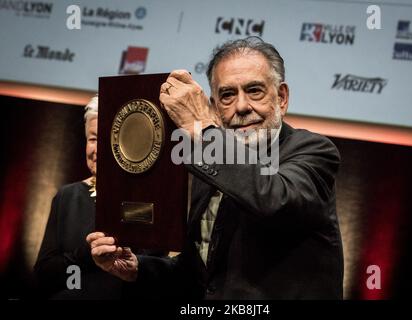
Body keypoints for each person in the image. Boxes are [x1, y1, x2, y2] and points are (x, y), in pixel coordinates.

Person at [88, 37, 344, 299]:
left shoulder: (314, 151)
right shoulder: (207, 165)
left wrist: (203, 127)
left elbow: (272, 198)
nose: (241, 107)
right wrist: (138, 269)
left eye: (254, 90)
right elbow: (198, 273)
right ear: (214, 106)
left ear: (281, 98)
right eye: (227, 95)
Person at [34, 95, 124, 299]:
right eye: (93, 139)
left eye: (107, 139)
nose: (97, 149)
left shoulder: (146, 200)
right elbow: (44, 274)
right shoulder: (67, 196)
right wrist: (86, 254)